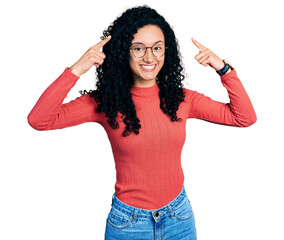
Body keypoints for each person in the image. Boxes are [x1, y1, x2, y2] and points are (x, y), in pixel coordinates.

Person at [27, 5, 257, 240]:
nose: (150, 57)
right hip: (129, 224)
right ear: (122, 51)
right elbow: (39, 120)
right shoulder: (106, 102)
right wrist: (76, 69)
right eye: (138, 48)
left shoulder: (182, 99)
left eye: (157, 48)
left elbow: (244, 117)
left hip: (179, 218)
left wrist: (224, 69)